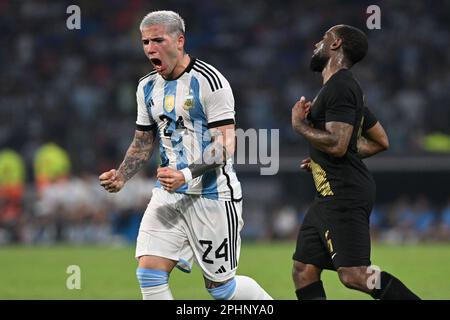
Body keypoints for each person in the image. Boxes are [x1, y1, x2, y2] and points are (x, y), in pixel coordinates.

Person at [99, 10, 271, 300]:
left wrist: (186, 174)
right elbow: (143, 140)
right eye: (144, 42)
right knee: (149, 272)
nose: (150, 49)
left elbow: (226, 145)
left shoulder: (211, 82)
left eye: (158, 40)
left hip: (212, 196)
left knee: (221, 289)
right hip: (168, 193)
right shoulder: (146, 87)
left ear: (180, 41)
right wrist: (122, 175)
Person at [290, 25, 420, 300]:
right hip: (327, 196)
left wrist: (300, 125)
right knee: (303, 269)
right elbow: (379, 141)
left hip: (344, 193)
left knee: (356, 275)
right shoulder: (342, 90)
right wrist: (319, 158)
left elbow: (337, 145)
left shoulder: (341, 87)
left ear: (336, 44)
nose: (317, 43)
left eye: (323, 38)